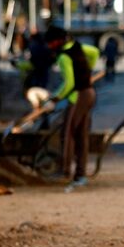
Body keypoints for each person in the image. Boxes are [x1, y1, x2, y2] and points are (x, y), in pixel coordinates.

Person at [44, 25, 101, 192]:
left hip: (78, 97)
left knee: (68, 134)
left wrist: (54, 98)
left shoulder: (63, 57)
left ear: (57, 42)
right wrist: (87, 71)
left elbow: (69, 83)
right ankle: (80, 175)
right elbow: (95, 52)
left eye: (50, 42)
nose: (49, 46)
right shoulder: (79, 47)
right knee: (81, 135)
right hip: (90, 93)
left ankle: (65, 171)